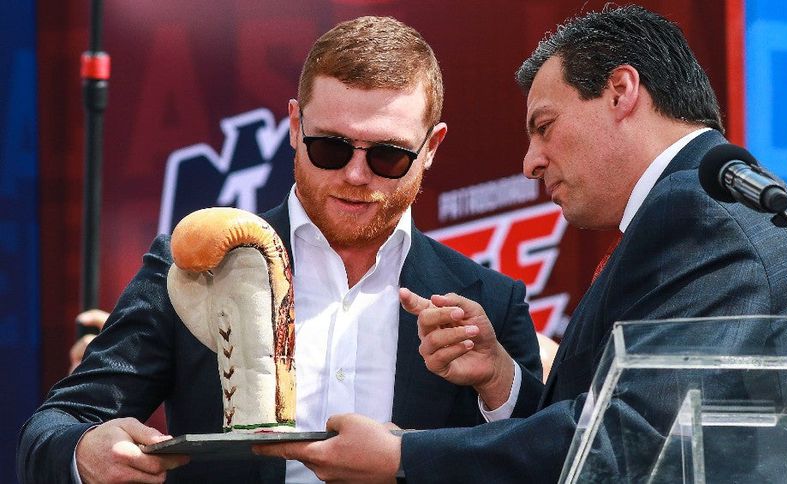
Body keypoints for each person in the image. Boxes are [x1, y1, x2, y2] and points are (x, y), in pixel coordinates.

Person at [251, 5, 787, 483]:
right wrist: (500, 378)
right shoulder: (694, 211)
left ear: (621, 91)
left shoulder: (699, 212)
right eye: (332, 146)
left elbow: (632, 437)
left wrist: (404, 456)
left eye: (544, 127)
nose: (530, 163)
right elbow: (620, 425)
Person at [17, 16, 543, 484]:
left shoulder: (489, 301)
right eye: (330, 147)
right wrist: (86, 453)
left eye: (387, 155)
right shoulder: (196, 269)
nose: (355, 174)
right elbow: (55, 427)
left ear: (431, 147)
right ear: (295, 127)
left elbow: (546, 455)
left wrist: (498, 382)